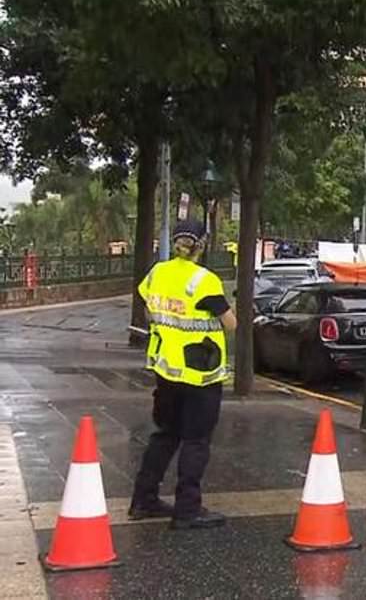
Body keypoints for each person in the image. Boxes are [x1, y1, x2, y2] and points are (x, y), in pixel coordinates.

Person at [129, 221, 236, 529]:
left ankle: (143, 499)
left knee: (164, 434)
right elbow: (231, 324)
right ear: (201, 244)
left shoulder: (157, 273)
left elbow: (149, 309)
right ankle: (187, 509)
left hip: (166, 370)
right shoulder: (204, 281)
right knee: (196, 441)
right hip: (199, 375)